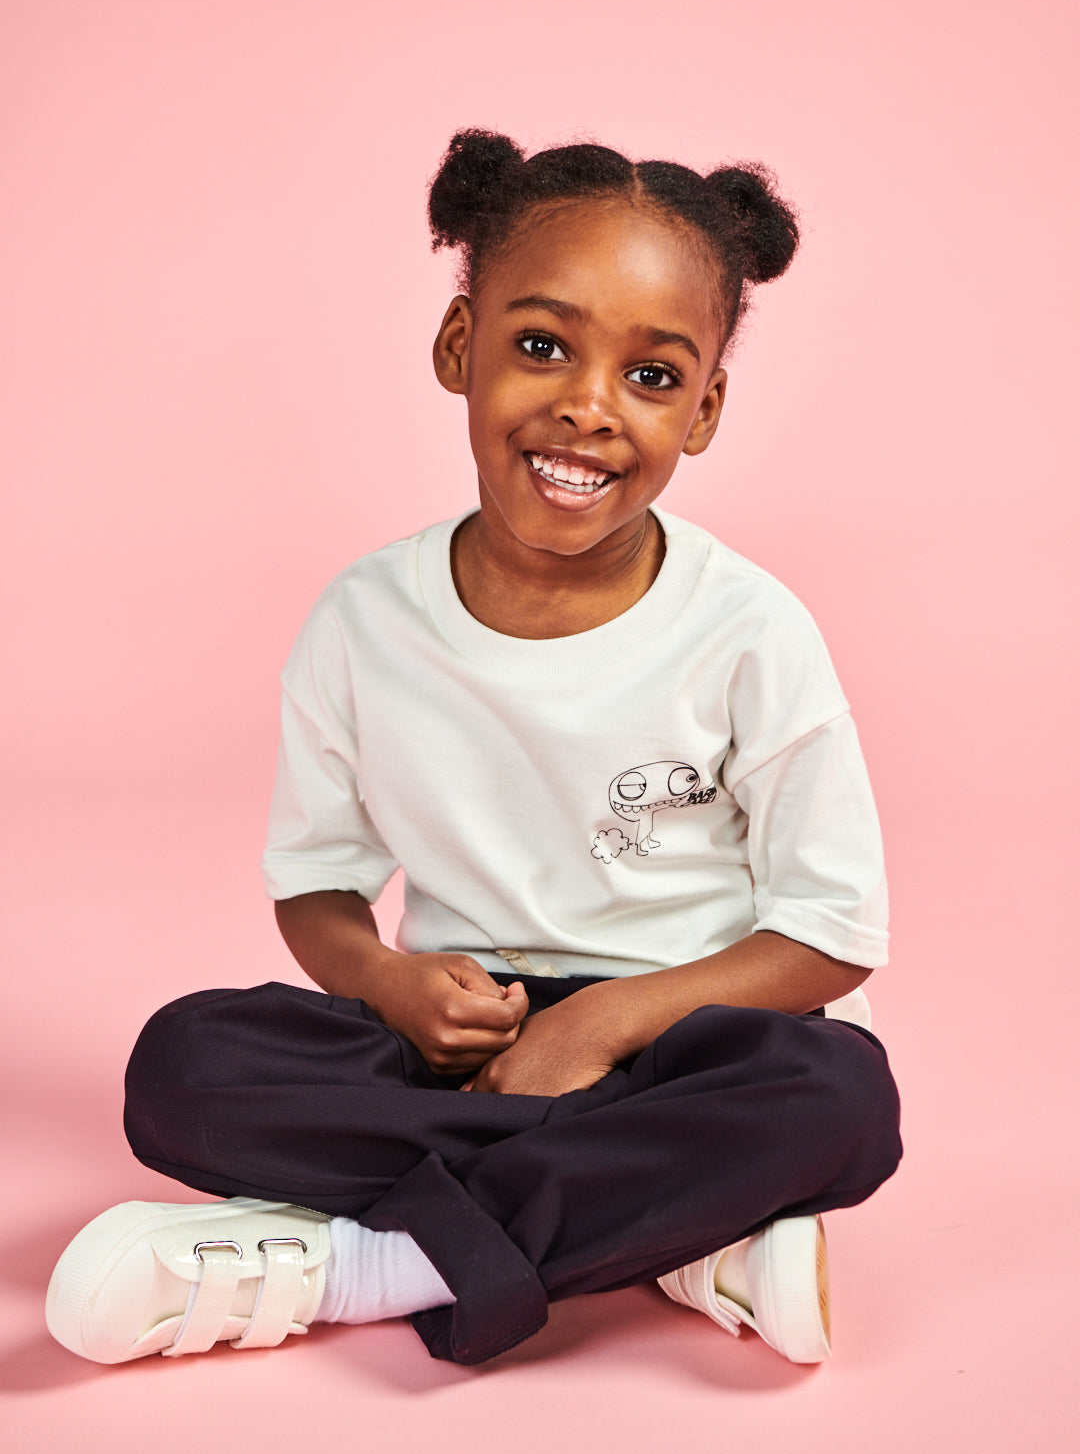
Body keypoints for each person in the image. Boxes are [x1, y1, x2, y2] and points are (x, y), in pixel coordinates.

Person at [46, 129, 902, 1371]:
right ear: (461, 347)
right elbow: (319, 887)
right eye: (541, 345)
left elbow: (831, 932)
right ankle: (670, 1228)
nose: (587, 406)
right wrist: (393, 986)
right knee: (185, 1063)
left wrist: (605, 1025)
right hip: (466, 1038)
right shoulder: (363, 620)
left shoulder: (749, 630)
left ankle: (359, 1265)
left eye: (653, 377)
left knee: (836, 1101)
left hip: (683, 1035)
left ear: (705, 408)